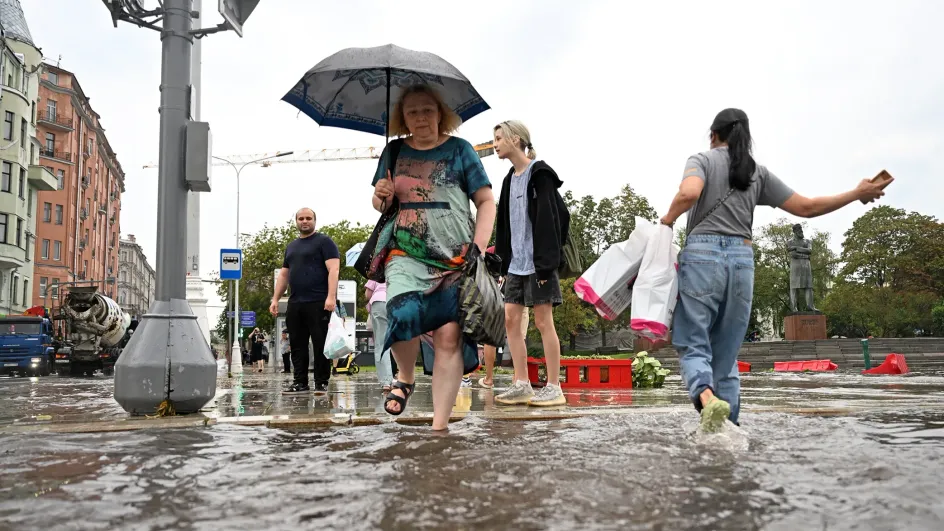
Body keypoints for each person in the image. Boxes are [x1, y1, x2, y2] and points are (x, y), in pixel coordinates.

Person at [660, 108, 889, 432]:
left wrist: (667, 221)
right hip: (742, 261)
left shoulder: (702, 159)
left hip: (703, 259)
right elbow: (807, 207)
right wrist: (857, 193)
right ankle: (729, 431)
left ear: (714, 135)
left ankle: (707, 398)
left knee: (693, 342)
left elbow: (689, 193)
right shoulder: (757, 173)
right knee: (726, 356)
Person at [371, 84, 496, 431]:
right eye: (413, 111)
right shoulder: (393, 151)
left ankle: (439, 427)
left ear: (441, 113)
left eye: (428, 109)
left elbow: (486, 201)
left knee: (448, 337)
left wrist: (479, 247)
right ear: (403, 117)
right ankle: (406, 376)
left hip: (455, 258)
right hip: (406, 252)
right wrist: (381, 195)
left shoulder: (461, 150)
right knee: (400, 310)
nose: (421, 117)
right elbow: (380, 204)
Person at [492, 120, 568, 407]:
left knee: (542, 321)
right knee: (510, 320)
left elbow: (550, 220)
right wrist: (501, 264)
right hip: (515, 265)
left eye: (499, 138)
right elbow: (504, 226)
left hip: (539, 264)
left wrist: (548, 264)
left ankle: (553, 386)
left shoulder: (540, 174)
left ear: (515, 139)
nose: (496, 144)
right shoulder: (508, 180)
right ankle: (521, 383)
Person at [270, 207, 341, 395]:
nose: (304, 221)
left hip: (319, 301)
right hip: (295, 303)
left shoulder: (324, 242)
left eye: (308, 218)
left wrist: (331, 297)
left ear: (315, 221)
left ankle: (321, 382)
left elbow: (334, 269)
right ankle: (300, 382)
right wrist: (275, 299)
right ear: (296, 222)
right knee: (297, 345)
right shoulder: (291, 246)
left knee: (320, 344)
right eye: (301, 218)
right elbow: (284, 274)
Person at [365, 280, 394, 392]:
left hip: (379, 304)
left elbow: (368, 294)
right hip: (397, 301)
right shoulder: (399, 266)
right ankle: (402, 378)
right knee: (398, 343)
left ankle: (386, 381)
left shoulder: (376, 268)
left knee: (381, 344)